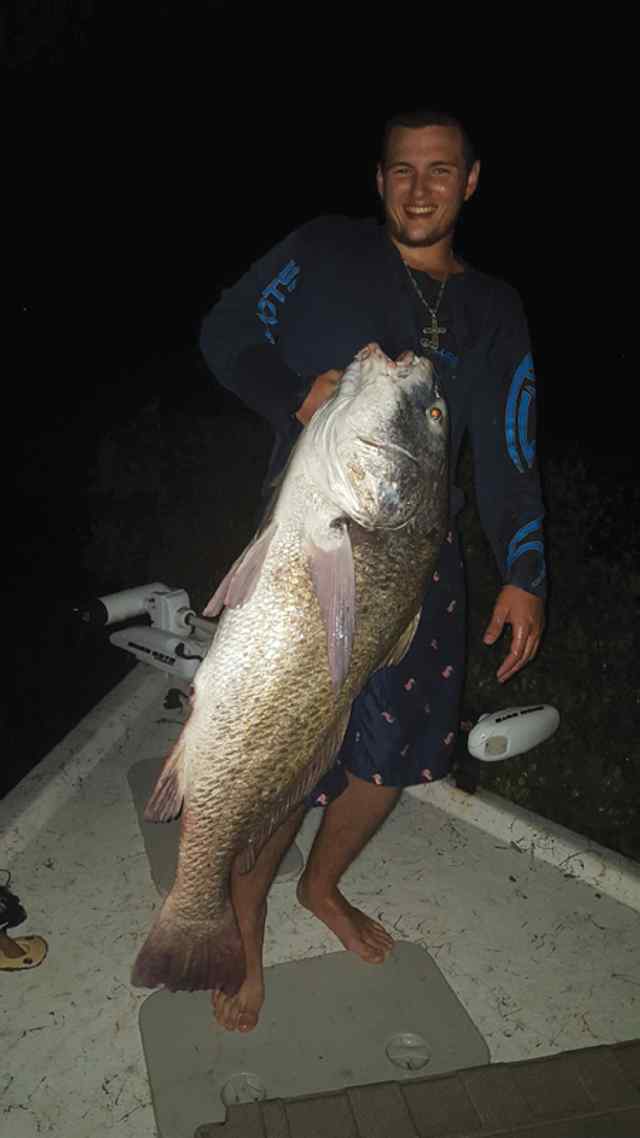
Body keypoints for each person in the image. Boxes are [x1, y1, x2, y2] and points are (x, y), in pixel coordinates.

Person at [199, 109, 546, 1032]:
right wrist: (291, 393)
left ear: (470, 181)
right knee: (286, 749)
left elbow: (510, 448)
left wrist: (525, 569)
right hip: (309, 554)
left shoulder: (493, 309)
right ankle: (245, 914)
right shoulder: (323, 251)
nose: (420, 188)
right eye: (403, 170)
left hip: (419, 565)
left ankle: (321, 883)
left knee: (388, 765)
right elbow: (225, 331)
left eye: (441, 171)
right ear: (379, 178)